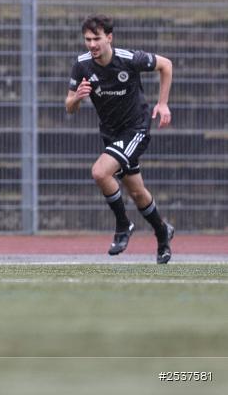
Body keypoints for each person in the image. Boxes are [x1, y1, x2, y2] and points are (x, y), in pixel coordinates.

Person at [65, 14, 175, 264]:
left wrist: (163, 104)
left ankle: (123, 226)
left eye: (97, 39)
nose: (92, 44)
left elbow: (166, 65)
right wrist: (76, 98)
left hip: (136, 129)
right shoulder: (82, 65)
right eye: (87, 39)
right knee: (137, 193)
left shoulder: (129, 59)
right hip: (111, 135)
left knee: (100, 172)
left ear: (109, 38)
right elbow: (69, 107)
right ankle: (163, 233)